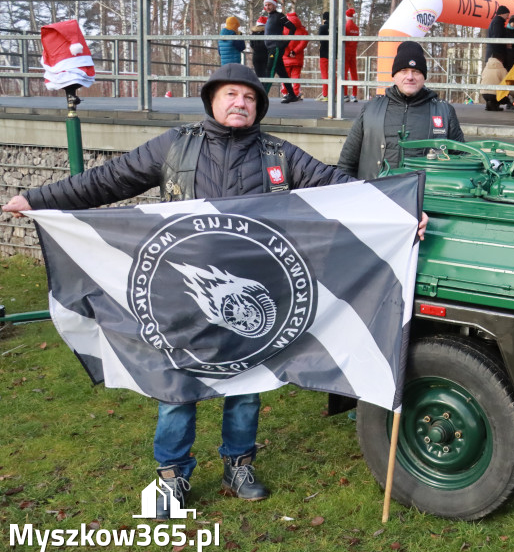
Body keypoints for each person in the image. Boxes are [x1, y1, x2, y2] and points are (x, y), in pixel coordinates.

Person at [1, 64, 359, 517]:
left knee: (246, 386)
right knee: (176, 388)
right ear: (212, 100)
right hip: (181, 294)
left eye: (249, 98)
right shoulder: (174, 146)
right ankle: (172, 476)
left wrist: (402, 210)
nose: (240, 104)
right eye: (231, 95)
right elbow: (105, 180)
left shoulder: (279, 154)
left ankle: (239, 466)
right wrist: (38, 199)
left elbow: (339, 186)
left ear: (258, 107)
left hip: (253, 298)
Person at [338, 40, 465, 180]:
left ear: (424, 76)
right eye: (403, 71)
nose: (409, 77)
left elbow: (462, 160)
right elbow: (346, 164)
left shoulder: (444, 111)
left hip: (424, 198)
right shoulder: (371, 109)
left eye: (416, 71)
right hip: (376, 195)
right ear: (394, 75)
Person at [261, 0, 298, 103]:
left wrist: (285, 42)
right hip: (270, 48)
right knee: (282, 72)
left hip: (275, 47)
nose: (268, 7)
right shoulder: (269, 17)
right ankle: (292, 95)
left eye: (270, 5)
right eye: (266, 5)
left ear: (274, 5)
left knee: (270, 70)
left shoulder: (280, 16)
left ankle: (263, 96)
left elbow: (292, 27)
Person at [281, 10, 308, 100]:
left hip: (286, 58)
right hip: (297, 58)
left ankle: (285, 93)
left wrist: (287, 52)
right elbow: (303, 43)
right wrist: (295, 51)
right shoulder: (302, 30)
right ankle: (296, 93)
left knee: (285, 76)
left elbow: (281, 43)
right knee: (296, 76)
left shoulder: (283, 29)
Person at [343, 7, 360, 102]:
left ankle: (345, 94)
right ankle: (354, 94)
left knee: (344, 73)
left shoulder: (345, 27)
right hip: (353, 52)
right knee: (354, 73)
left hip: (346, 52)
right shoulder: (356, 28)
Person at [249, 16, 268, 80]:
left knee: (258, 76)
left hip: (256, 56)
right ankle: (264, 89)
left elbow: (251, 45)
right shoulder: (267, 33)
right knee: (266, 77)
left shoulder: (253, 33)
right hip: (266, 56)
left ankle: (259, 89)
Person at [317, 11, 330, 101]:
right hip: (335, 54)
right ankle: (335, 94)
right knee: (335, 75)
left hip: (324, 53)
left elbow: (321, 40)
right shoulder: (336, 27)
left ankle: (325, 95)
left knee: (325, 74)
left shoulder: (322, 28)